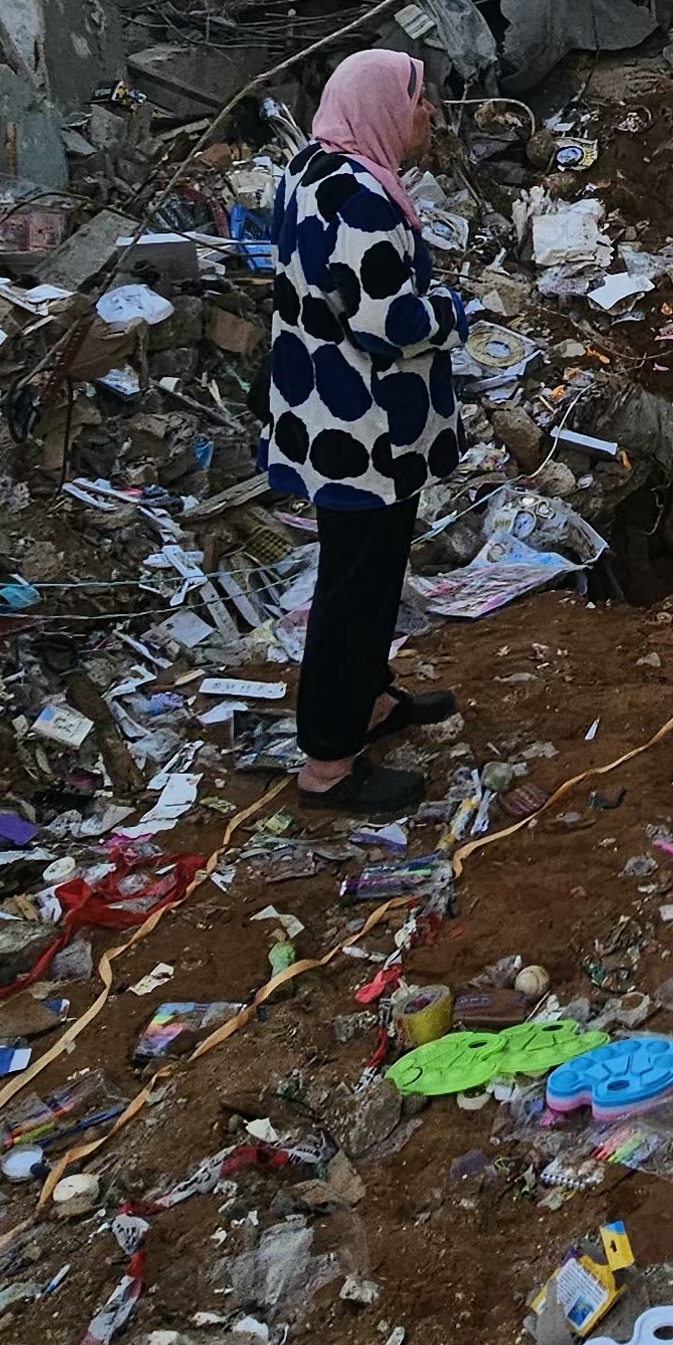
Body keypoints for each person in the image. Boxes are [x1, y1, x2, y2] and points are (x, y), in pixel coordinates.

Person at [263, 48, 463, 814]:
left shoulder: (310, 170)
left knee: (365, 576)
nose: (427, 113)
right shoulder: (364, 199)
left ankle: (370, 702)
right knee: (354, 590)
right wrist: (452, 311)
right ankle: (327, 765)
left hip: (323, 416)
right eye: (418, 99)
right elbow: (388, 323)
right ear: (380, 105)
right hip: (365, 433)